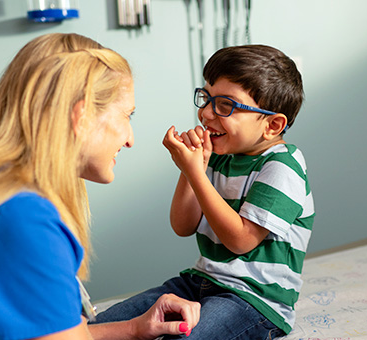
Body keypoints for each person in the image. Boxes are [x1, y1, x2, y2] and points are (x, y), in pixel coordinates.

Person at [0, 33, 200, 340]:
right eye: (127, 115)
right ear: (83, 115)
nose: (130, 139)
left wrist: (133, 329)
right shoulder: (18, 216)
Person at [92, 45, 314, 339]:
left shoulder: (283, 167)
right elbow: (182, 225)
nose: (205, 112)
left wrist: (196, 171)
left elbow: (241, 240)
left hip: (254, 301)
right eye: (207, 97)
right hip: (199, 282)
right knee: (99, 327)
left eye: (226, 105)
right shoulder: (221, 156)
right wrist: (192, 167)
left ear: (272, 125)